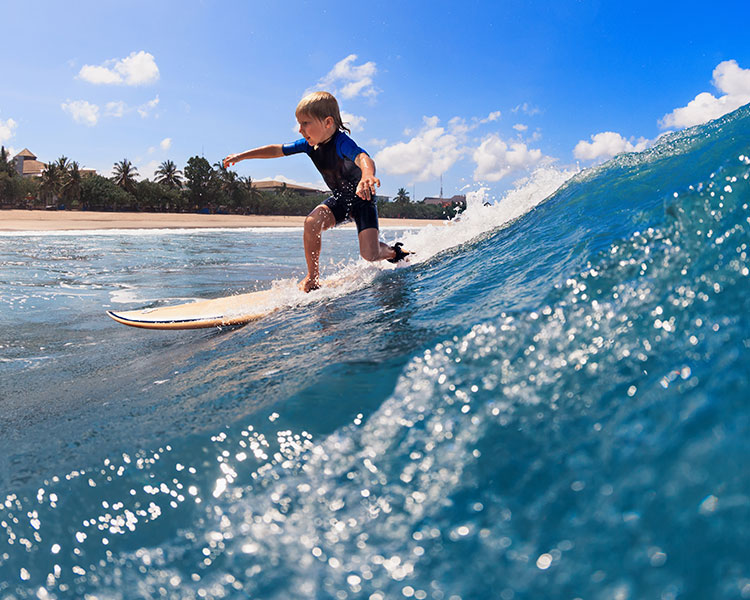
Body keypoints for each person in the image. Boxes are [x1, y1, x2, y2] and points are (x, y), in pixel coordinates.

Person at [223, 91, 410, 292]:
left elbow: (363, 157)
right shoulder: (308, 146)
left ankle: (395, 252)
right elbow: (277, 149)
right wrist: (242, 156)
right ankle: (313, 278)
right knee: (312, 222)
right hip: (340, 200)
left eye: (305, 123)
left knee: (370, 254)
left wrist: (367, 175)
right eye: (299, 124)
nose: (300, 130)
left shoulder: (341, 143)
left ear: (328, 122)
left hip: (362, 200)